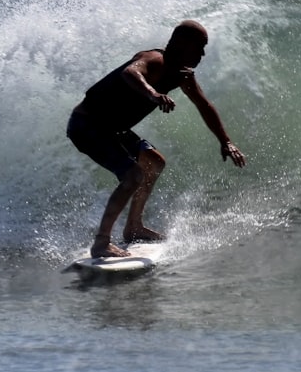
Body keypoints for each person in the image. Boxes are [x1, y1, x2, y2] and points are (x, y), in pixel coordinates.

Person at [67, 20, 247, 258]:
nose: (203, 53)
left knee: (154, 162)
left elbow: (204, 105)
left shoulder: (182, 75)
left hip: (112, 129)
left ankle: (133, 228)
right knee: (133, 176)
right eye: (199, 47)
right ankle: (101, 243)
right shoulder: (154, 59)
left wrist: (225, 141)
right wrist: (152, 93)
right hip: (87, 124)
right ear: (181, 44)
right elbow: (130, 72)